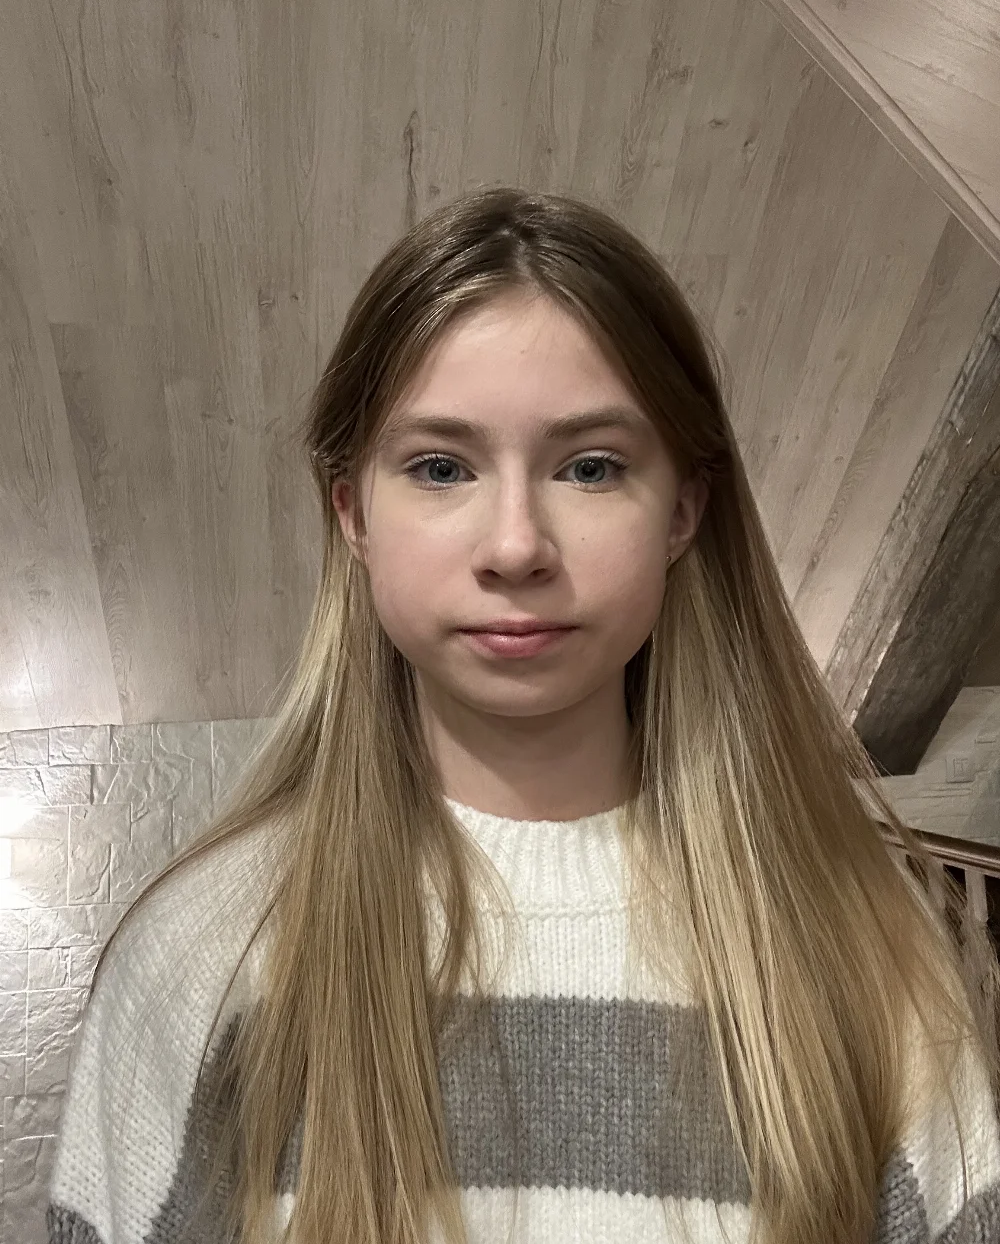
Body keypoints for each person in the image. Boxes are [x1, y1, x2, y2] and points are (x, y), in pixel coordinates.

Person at [47, 186, 1000, 1244]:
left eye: (590, 467)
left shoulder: (870, 955)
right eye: (440, 467)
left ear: (682, 511)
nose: (515, 546)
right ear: (352, 511)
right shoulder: (199, 958)